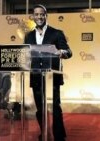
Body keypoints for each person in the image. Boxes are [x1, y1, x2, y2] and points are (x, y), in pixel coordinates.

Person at [24, 4, 72, 141]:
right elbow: (25, 55)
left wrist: (62, 52)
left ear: (46, 16)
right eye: (36, 14)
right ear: (33, 16)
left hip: (52, 77)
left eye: (42, 14)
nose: (39, 17)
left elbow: (69, 52)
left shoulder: (56, 33)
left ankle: (58, 136)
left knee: (55, 107)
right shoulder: (28, 36)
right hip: (36, 77)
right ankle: (44, 132)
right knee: (40, 109)